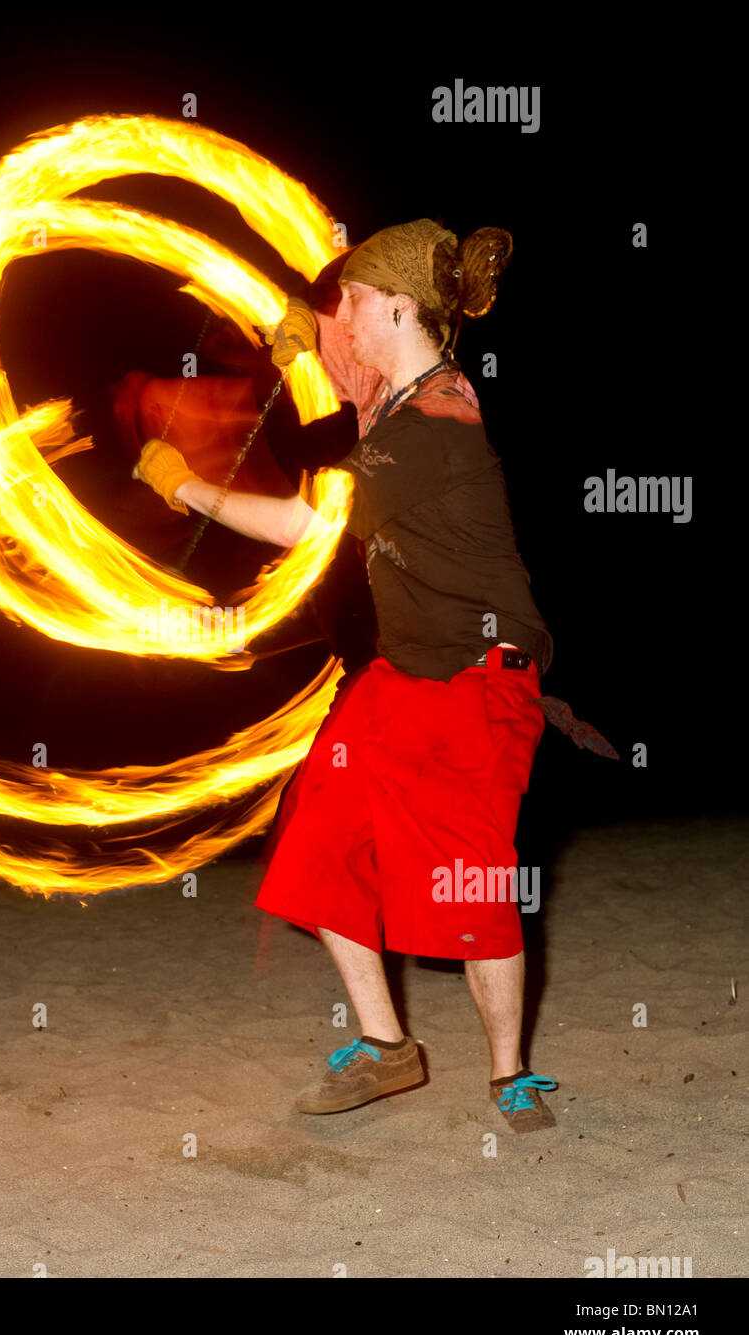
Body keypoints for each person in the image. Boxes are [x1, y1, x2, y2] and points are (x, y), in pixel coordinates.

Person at [133, 218, 560, 1134]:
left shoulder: (439, 421)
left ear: (401, 307)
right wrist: (294, 323)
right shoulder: (394, 392)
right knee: (319, 835)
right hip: (404, 674)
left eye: (357, 304)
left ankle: (507, 1076)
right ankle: (386, 1047)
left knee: (474, 880)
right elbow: (332, 367)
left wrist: (186, 490)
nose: (343, 320)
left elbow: (304, 526)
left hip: (483, 679)